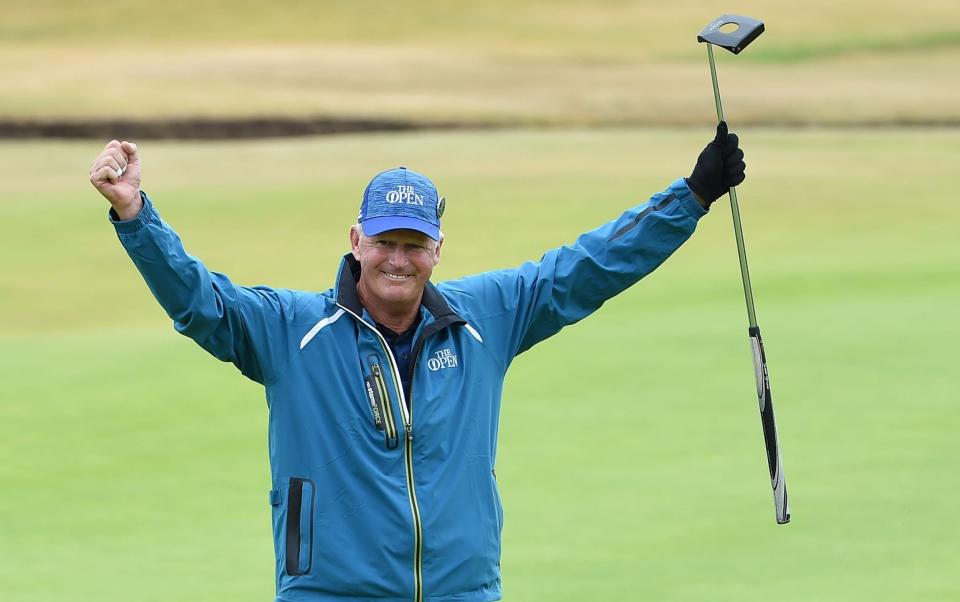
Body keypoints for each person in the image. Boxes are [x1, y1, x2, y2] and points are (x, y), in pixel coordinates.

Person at [88, 123, 745, 602]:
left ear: (437, 249)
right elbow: (203, 304)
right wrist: (135, 215)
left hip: (463, 591)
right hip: (331, 595)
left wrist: (691, 196)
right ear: (356, 241)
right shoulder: (291, 329)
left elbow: (588, 268)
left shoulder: (487, 317)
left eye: (414, 243)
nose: (397, 259)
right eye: (383, 242)